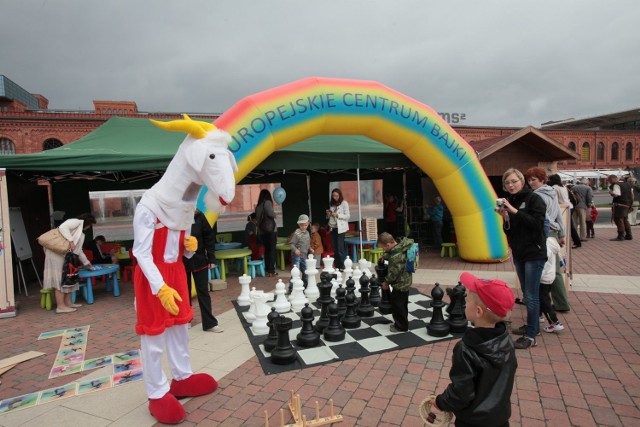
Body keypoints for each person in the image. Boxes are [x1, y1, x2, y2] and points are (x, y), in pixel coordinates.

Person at [430, 272, 517, 427]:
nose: (464, 303)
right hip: (500, 418)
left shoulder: (466, 349)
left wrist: (441, 402)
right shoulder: (506, 340)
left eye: (468, 300)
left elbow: (462, 393)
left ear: (478, 311)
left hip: (473, 421)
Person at [496, 168, 547, 349]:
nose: (510, 185)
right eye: (507, 183)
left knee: (531, 295)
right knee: (527, 293)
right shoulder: (511, 201)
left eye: (514, 181)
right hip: (519, 252)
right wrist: (506, 217)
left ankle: (531, 335)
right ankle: (533, 326)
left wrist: (514, 211)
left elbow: (537, 225)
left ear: (521, 181)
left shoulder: (534, 199)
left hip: (534, 252)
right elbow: (509, 231)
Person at [525, 167, 570, 313]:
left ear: (542, 180)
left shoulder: (536, 196)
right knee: (554, 270)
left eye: (534, 180)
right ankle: (562, 303)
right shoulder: (552, 193)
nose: (531, 183)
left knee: (541, 271)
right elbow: (557, 213)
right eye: (529, 180)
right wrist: (562, 233)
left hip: (543, 234)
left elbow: (544, 218)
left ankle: (540, 304)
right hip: (554, 233)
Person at [43, 213, 96, 314]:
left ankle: (68, 303)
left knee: (69, 278)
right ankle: (60, 306)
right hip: (57, 254)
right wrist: (71, 241)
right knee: (60, 279)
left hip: (65, 256)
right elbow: (63, 227)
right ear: (87, 222)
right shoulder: (76, 222)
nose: (89, 227)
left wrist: (86, 262)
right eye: (90, 225)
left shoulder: (80, 233)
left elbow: (79, 250)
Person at [183, 209, 223, 333]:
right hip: (181, 262)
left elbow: (209, 237)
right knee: (184, 292)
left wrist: (211, 257)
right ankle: (186, 320)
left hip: (200, 260)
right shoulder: (175, 216)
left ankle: (209, 323)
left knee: (203, 292)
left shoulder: (199, 216)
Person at [377, 232, 414, 332]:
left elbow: (393, 273)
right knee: (402, 304)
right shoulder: (400, 246)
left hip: (400, 284)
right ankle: (402, 322)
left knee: (398, 306)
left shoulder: (395, 257)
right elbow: (392, 252)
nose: (384, 250)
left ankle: (401, 326)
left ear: (388, 245)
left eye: (384, 248)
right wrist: (384, 256)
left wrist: (386, 282)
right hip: (405, 281)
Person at [540, 237, 565, 333]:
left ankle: (555, 322)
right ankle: (540, 315)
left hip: (544, 278)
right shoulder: (550, 242)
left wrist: (537, 277)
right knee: (543, 298)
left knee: (545, 301)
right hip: (550, 276)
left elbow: (544, 266)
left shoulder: (545, 248)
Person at [255, 189, 278, 276]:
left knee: (267, 251)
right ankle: (271, 271)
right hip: (270, 230)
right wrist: (275, 215)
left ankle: (268, 270)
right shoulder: (267, 203)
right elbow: (271, 213)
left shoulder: (258, 206)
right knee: (272, 250)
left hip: (262, 231)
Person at [327, 188, 350, 270]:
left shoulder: (344, 203)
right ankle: (337, 265)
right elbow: (330, 217)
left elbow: (347, 216)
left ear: (340, 195)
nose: (335, 197)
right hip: (333, 227)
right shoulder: (332, 204)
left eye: (336, 196)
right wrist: (329, 214)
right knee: (334, 247)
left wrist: (337, 215)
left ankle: (343, 265)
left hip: (341, 228)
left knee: (340, 248)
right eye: (333, 196)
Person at [607, 174, 633, 241]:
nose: (609, 182)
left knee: (618, 219)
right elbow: (632, 195)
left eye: (609, 181)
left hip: (619, 204)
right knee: (625, 219)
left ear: (612, 179)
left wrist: (611, 192)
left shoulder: (616, 185)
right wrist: (630, 204)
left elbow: (616, 194)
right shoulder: (628, 184)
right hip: (627, 204)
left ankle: (621, 236)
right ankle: (629, 235)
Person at [289, 214, 311, 289]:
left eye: (305, 225)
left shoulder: (307, 233)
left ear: (308, 224)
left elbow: (307, 243)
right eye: (302, 225)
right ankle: (291, 288)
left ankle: (305, 286)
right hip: (297, 256)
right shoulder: (296, 233)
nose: (304, 227)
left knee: (306, 272)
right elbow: (291, 244)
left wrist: (310, 248)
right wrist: (295, 250)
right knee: (296, 273)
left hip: (304, 256)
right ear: (299, 224)